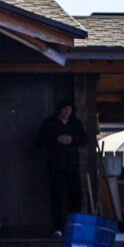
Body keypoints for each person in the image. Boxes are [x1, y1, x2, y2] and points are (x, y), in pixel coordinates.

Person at [35, 97, 89, 235]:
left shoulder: (75, 123)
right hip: (56, 166)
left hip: (72, 165)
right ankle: (58, 227)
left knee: (76, 195)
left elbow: (84, 139)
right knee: (57, 196)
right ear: (60, 109)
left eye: (70, 109)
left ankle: (75, 226)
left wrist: (72, 139)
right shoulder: (49, 123)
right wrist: (56, 139)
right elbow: (39, 141)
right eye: (65, 109)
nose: (67, 112)